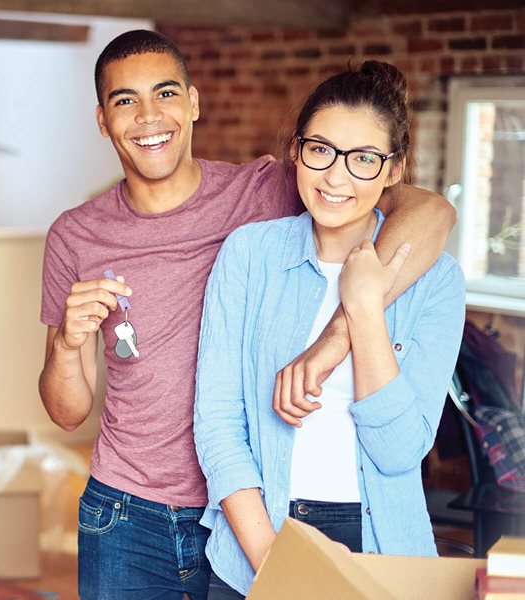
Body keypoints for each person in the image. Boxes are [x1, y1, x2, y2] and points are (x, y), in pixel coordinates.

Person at [38, 28, 456, 600]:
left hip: (251, 509)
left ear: (193, 102)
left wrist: (341, 332)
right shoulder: (77, 235)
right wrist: (66, 344)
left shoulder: (264, 191)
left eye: (165, 93)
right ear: (102, 120)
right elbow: (68, 412)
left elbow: (427, 210)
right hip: (128, 512)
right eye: (124, 101)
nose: (148, 116)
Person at [194, 60, 466, 598]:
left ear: (393, 171)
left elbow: (400, 452)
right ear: (295, 150)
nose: (336, 177)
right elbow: (219, 423)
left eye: (364, 159)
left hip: (382, 549)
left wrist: (364, 309)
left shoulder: (437, 280)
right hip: (257, 540)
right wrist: (274, 561)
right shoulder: (249, 255)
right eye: (320, 149)